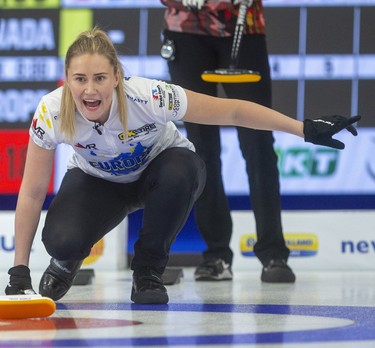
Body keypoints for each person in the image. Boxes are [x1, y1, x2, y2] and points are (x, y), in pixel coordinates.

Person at [4, 27, 359, 305]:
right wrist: (19, 270)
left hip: (163, 173)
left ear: (117, 77)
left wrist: (303, 128)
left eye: (99, 78)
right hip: (100, 183)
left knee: (183, 169)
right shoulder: (52, 112)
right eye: (80, 79)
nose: (90, 90)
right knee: (60, 240)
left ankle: (147, 273)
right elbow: (33, 192)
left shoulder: (149, 95)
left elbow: (233, 110)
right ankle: (66, 263)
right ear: (67, 79)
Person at [160, 0, 296, 282]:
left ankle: (274, 253)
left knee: (258, 141)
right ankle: (217, 255)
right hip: (185, 30)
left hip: (243, 26)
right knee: (201, 145)